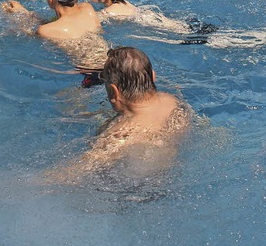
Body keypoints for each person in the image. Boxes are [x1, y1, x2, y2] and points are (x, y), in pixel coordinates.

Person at [60, 47, 190, 173]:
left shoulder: (120, 135)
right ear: (153, 77)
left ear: (114, 92)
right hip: (168, 171)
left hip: (136, 188)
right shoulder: (171, 101)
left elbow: (81, 169)